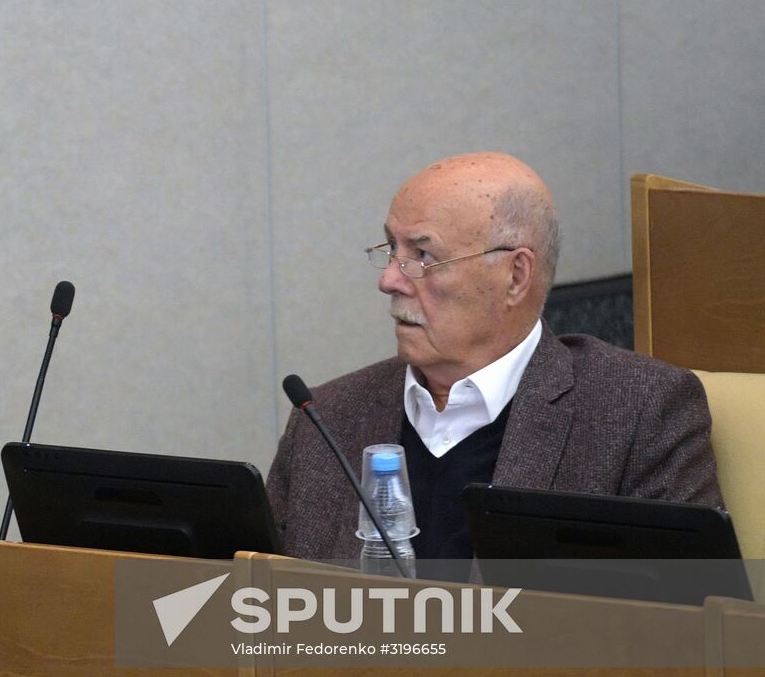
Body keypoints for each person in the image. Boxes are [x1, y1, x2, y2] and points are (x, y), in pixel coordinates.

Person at [266, 152, 719, 561]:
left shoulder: (637, 411)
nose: (389, 280)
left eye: (422, 255)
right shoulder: (327, 417)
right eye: (391, 250)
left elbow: (685, 624)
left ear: (516, 275)